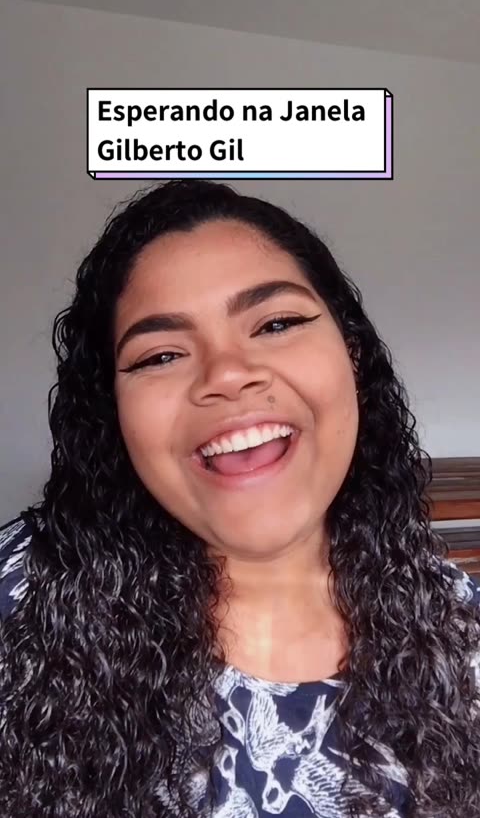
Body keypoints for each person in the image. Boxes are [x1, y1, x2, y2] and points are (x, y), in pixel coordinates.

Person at [0, 179, 479, 818]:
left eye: (277, 323)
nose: (227, 374)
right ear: (113, 414)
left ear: (353, 354)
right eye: (160, 355)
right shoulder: (22, 602)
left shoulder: (461, 633)